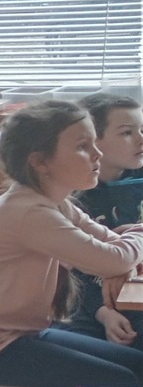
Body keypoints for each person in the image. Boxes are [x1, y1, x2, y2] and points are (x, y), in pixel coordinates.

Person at [0, 99, 143, 387]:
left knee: (137, 365)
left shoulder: (55, 202)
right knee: (123, 382)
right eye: (83, 147)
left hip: (25, 333)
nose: (97, 153)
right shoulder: (29, 213)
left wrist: (118, 265)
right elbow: (116, 258)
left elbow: (114, 247)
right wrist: (127, 251)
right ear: (40, 162)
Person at [63, 92, 143, 345]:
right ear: (92, 141)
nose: (141, 139)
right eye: (127, 132)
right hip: (89, 301)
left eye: (142, 129)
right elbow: (69, 270)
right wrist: (104, 312)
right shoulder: (69, 195)